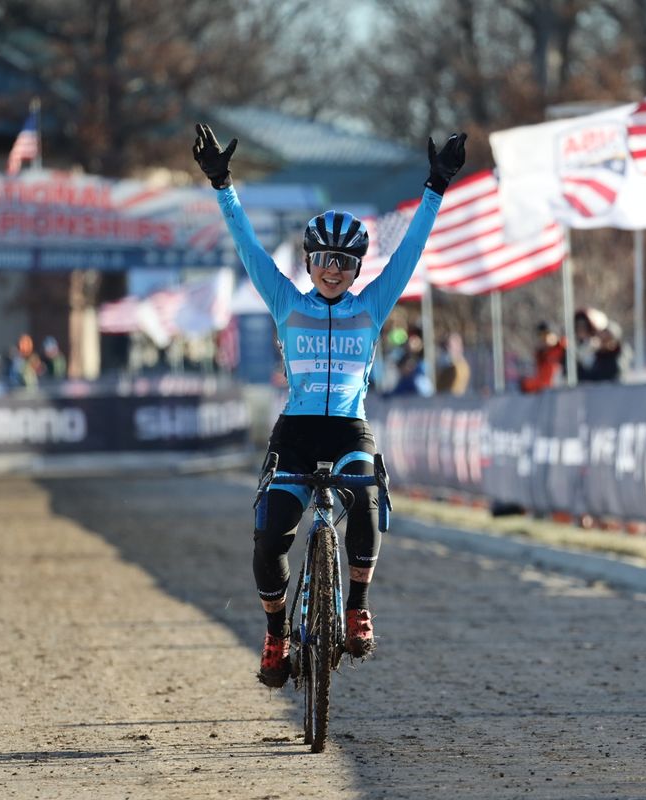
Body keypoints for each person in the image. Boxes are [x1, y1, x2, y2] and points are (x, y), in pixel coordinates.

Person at [193, 122, 466, 688]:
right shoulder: (286, 301)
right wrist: (223, 184)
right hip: (296, 430)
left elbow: (411, 251)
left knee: (365, 506)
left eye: (345, 261)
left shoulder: (372, 307)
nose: (335, 269)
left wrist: (436, 184)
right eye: (325, 259)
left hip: (349, 431)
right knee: (270, 536)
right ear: (311, 261)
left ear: (357, 269)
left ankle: (355, 606)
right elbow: (246, 245)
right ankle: (276, 637)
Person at [519, 321, 566, 393]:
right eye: (541, 336)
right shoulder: (540, 355)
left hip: (560, 391)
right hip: (546, 393)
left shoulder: (563, 350)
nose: (544, 339)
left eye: (546, 335)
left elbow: (549, 380)